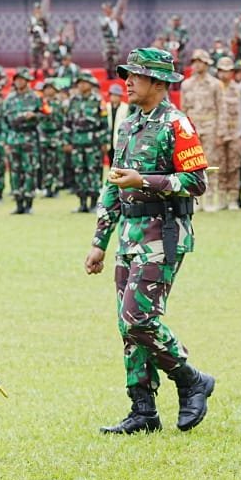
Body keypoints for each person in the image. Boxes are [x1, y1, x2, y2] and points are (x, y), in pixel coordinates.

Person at [84, 48, 214, 435]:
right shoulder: (128, 125)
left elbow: (197, 182)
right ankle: (143, 409)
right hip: (130, 235)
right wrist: (99, 241)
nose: (127, 82)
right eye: (127, 75)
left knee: (138, 319)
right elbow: (113, 185)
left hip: (164, 233)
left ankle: (191, 379)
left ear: (158, 83)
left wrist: (145, 180)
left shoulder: (177, 124)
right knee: (127, 326)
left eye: (136, 76)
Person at [178, 49, 222, 211]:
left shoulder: (215, 84)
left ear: (207, 64)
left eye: (200, 62)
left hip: (210, 126)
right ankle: (195, 198)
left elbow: (221, 108)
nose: (197, 65)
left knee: (210, 163)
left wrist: (219, 132)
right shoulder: (186, 85)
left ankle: (210, 198)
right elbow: (183, 110)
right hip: (192, 129)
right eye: (194, 62)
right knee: (192, 164)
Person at [65, 70, 109, 213]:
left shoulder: (98, 101)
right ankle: (82, 203)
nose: (82, 85)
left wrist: (104, 142)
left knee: (93, 171)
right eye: (80, 83)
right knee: (79, 171)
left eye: (85, 83)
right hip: (77, 141)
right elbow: (67, 123)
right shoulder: (73, 101)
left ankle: (94, 202)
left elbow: (104, 123)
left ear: (90, 84)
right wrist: (67, 141)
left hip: (93, 142)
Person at [4, 69, 41, 215]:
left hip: (29, 137)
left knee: (30, 170)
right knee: (15, 171)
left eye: (22, 79)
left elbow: (44, 115)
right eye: (17, 79)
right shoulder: (9, 99)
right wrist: (6, 141)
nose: (19, 82)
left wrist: (34, 116)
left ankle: (29, 202)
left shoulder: (35, 98)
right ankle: (18, 202)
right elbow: (5, 121)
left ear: (27, 81)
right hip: (14, 137)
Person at [213, 58, 241, 210]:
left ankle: (233, 199)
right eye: (222, 71)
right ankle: (221, 198)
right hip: (218, 133)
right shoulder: (213, 87)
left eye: (228, 71)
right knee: (220, 166)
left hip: (234, 132)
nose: (224, 74)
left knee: (234, 166)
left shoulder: (238, 89)